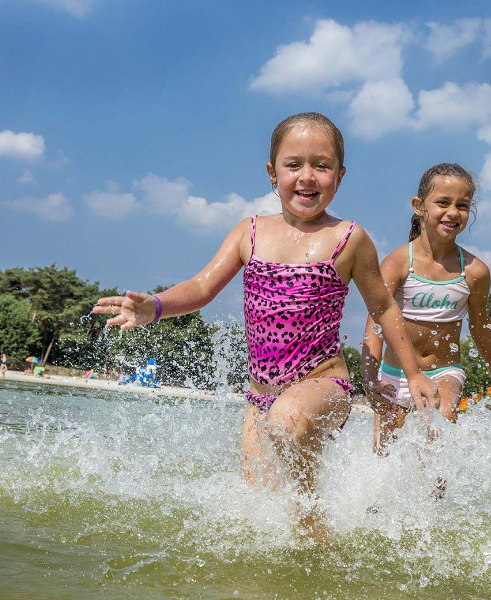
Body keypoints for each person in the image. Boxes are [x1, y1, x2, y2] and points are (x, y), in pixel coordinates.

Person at [93, 112, 437, 536]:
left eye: (321, 165)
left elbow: (384, 308)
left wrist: (414, 373)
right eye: (294, 165)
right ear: (273, 173)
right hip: (260, 400)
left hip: (323, 386)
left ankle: (315, 525)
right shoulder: (250, 232)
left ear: (340, 176)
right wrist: (157, 307)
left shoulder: (349, 238)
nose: (307, 176)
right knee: (260, 522)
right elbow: (202, 286)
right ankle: (318, 539)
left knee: (288, 424)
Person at [362, 163, 491, 453]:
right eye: (443, 202)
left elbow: (481, 328)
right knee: (384, 456)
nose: (453, 212)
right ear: (419, 207)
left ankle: (437, 498)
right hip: (394, 374)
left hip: (444, 371)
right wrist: (370, 378)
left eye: (463, 205)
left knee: (439, 429)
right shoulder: (398, 263)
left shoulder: (474, 271)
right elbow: (376, 323)